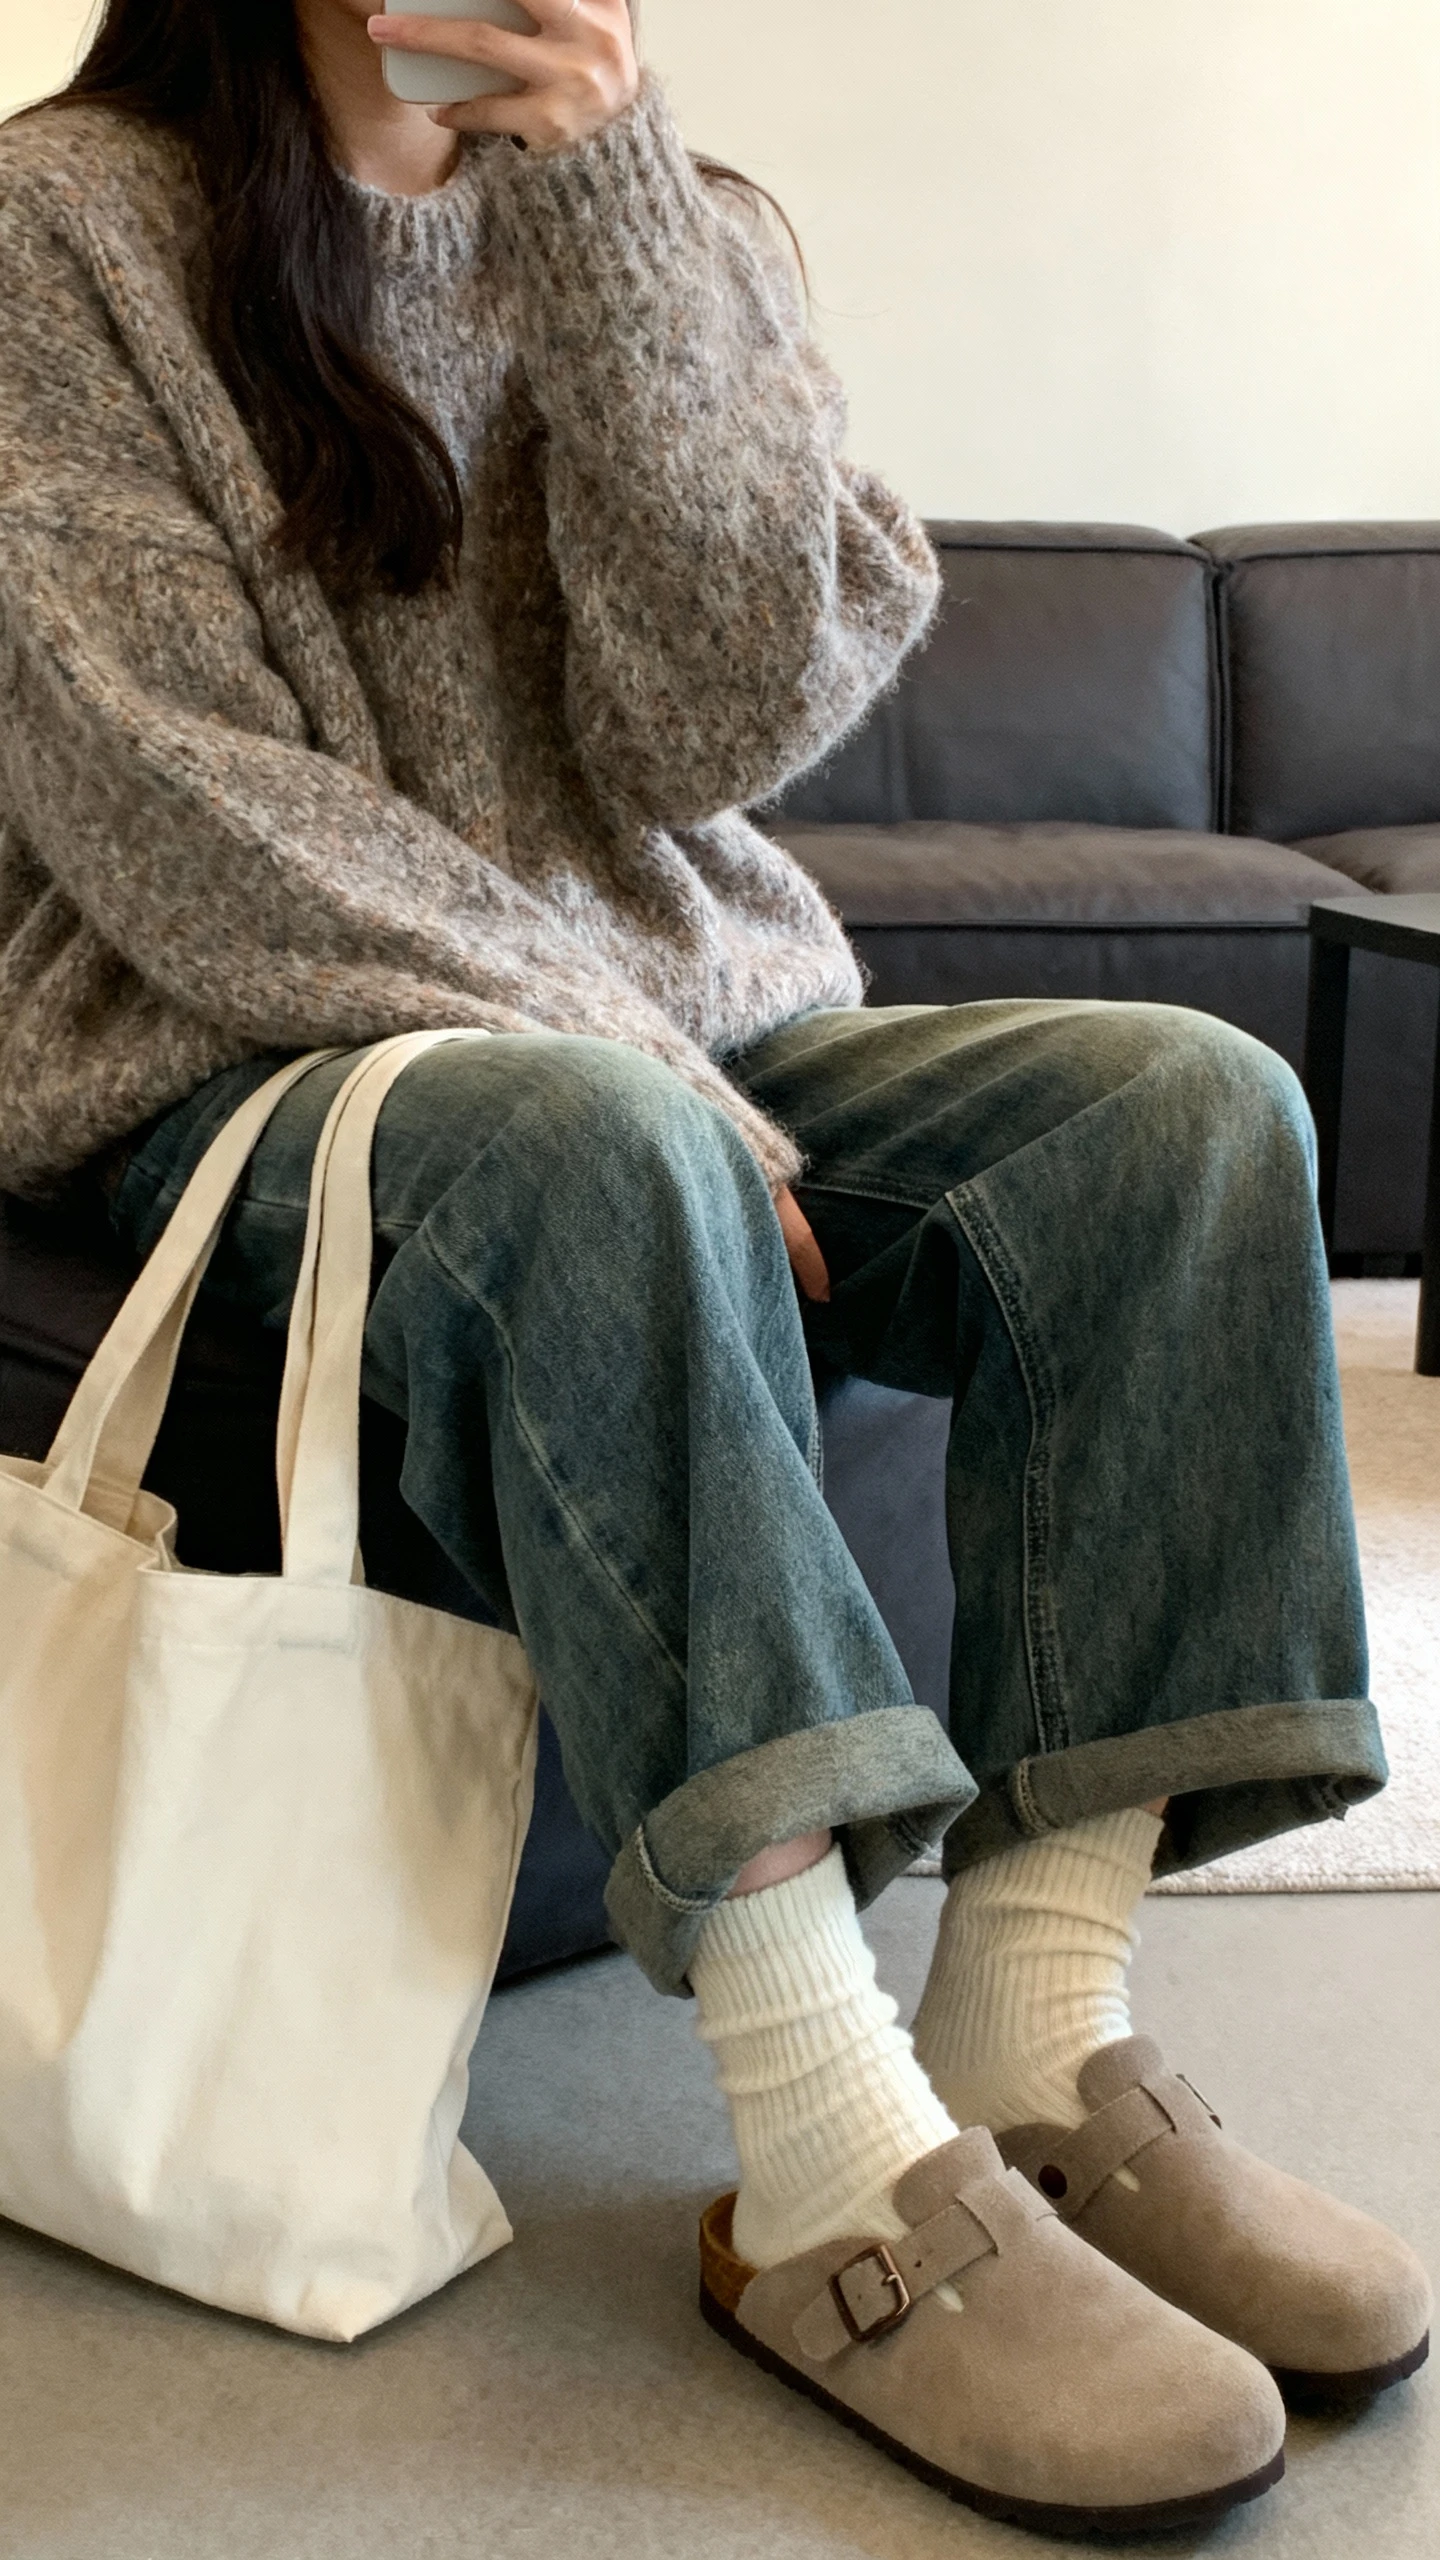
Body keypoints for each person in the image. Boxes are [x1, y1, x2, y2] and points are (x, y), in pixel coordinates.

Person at [0, 0, 1429, 2534]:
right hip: (247, 1037)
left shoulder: (678, 221)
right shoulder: (64, 230)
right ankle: (826, 2160)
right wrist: (607, 1048)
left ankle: (1033, 2033)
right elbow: (167, 797)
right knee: (596, 1143)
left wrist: (618, 223)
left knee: (1189, 1115)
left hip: (690, 1031)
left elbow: (718, 722)